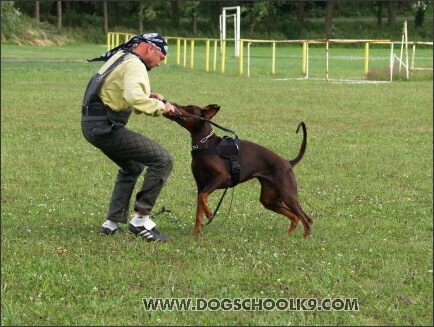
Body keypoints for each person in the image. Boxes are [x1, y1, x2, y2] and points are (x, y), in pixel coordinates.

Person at [81, 33, 177, 242]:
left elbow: (114, 86)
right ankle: (140, 221)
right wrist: (163, 107)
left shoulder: (122, 56)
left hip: (91, 124)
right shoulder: (135, 64)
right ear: (149, 48)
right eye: (160, 57)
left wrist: (148, 95)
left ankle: (111, 223)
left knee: (132, 167)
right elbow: (134, 98)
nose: (159, 63)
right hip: (105, 128)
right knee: (163, 159)